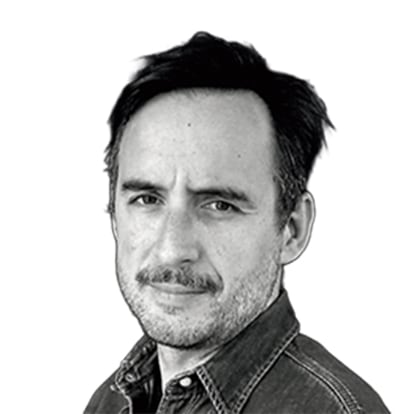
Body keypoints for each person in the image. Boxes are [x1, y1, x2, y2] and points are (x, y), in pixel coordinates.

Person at [84, 32, 389, 413]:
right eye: (147, 199)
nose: (172, 249)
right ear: (114, 213)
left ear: (292, 229)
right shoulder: (113, 399)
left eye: (220, 205)